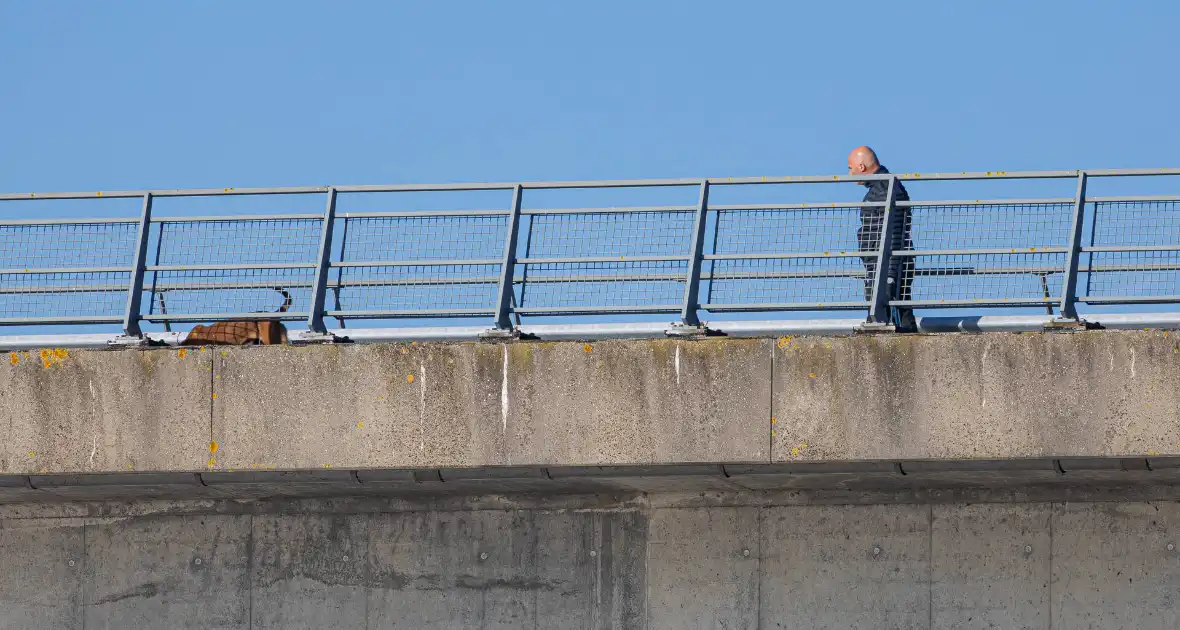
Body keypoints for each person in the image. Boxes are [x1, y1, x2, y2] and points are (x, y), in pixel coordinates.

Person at [848, 146, 917, 332]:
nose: (850, 173)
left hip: (887, 266)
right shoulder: (883, 187)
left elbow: (895, 233)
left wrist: (889, 274)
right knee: (894, 311)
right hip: (882, 265)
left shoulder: (886, 188)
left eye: (850, 168)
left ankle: (906, 350)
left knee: (893, 312)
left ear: (861, 167)